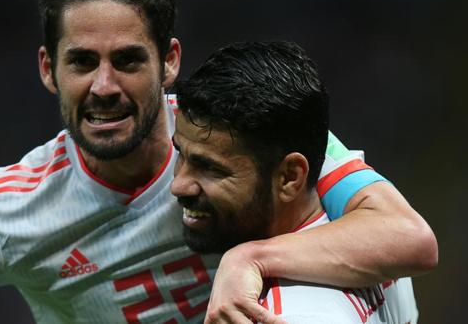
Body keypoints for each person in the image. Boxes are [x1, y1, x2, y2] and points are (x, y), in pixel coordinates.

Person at [0, 0, 436, 323]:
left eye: (126, 60)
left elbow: (408, 238)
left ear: (168, 61)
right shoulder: (6, 209)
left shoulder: (242, 132)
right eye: (81, 63)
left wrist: (246, 259)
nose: (104, 87)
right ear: (48, 69)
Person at [171, 41, 420, 323]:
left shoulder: (286, 313)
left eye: (210, 168)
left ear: (290, 177)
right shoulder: (366, 233)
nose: (178, 186)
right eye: (180, 153)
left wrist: (249, 256)